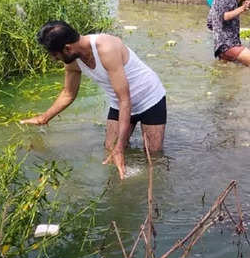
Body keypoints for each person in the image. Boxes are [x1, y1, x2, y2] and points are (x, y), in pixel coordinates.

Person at [21, 21, 167, 179]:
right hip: (118, 102)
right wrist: (44, 118)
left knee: (153, 156)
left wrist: (120, 148)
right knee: (110, 150)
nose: (54, 59)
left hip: (149, 98)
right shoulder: (72, 60)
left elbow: (125, 99)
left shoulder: (106, 48)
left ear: (67, 48)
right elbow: (68, 94)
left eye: (55, 55)